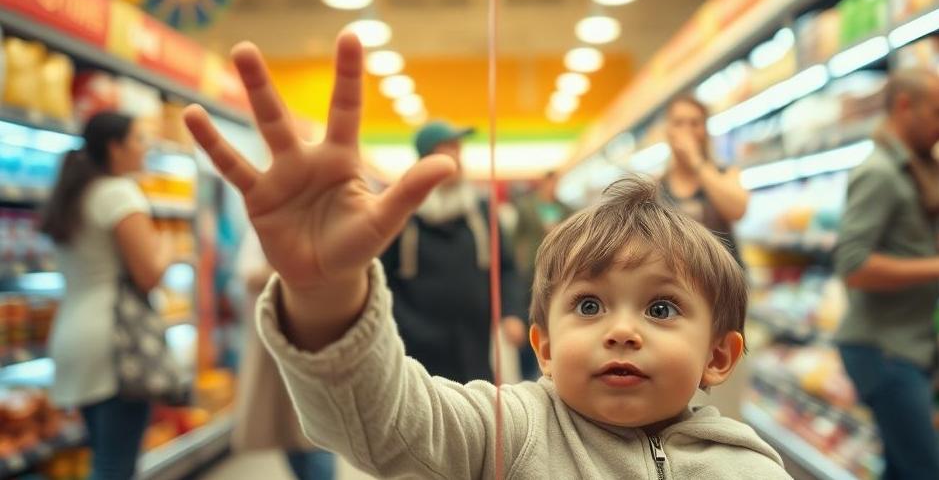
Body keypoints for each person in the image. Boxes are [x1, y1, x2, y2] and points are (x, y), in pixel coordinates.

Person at [184, 34, 791, 478]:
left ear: (719, 354)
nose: (623, 331)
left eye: (660, 308)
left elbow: (506, 265)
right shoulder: (510, 432)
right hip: (422, 349)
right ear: (545, 347)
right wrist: (324, 291)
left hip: (473, 338)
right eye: (588, 304)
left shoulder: (747, 467)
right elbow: (387, 423)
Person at [41, 111, 171, 480]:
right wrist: (166, 249)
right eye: (138, 139)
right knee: (116, 466)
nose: (145, 148)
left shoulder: (74, 193)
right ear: (115, 147)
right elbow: (148, 274)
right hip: (115, 346)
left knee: (103, 454)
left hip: (72, 337)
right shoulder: (118, 192)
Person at [834, 68, 939, 480]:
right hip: (882, 350)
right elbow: (853, 265)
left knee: (901, 466)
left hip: (907, 346)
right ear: (903, 106)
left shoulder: (918, 169)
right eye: (935, 112)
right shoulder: (878, 172)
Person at [379, 119, 528, 382]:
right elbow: (381, 278)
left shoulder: (480, 210)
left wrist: (512, 312)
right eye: (447, 149)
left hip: (476, 349)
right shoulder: (402, 212)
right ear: (425, 159)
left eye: (458, 149)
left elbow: (505, 267)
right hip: (416, 354)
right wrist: (404, 326)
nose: (457, 158)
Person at [232, 226, 335, 480]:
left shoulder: (323, 226)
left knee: (317, 431)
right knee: (287, 428)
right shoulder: (262, 227)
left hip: (314, 339)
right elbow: (247, 274)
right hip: (275, 338)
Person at [659, 94, 749, 266]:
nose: (687, 131)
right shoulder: (657, 185)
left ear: (705, 130)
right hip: (681, 284)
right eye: (678, 123)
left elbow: (738, 210)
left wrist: (696, 161)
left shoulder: (725, 172)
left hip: (726, 279)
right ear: (668, 131)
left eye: (695, 123)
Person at [513, 171, 573, 379]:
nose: (553, 187)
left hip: (558, 270)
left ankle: (551, 370)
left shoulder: (566, 209)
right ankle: (528, 373)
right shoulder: (526, 207)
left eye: (556, 183)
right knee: (529, 316)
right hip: (531, 269)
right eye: (550, 182)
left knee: (553, 315)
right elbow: (518, 237)